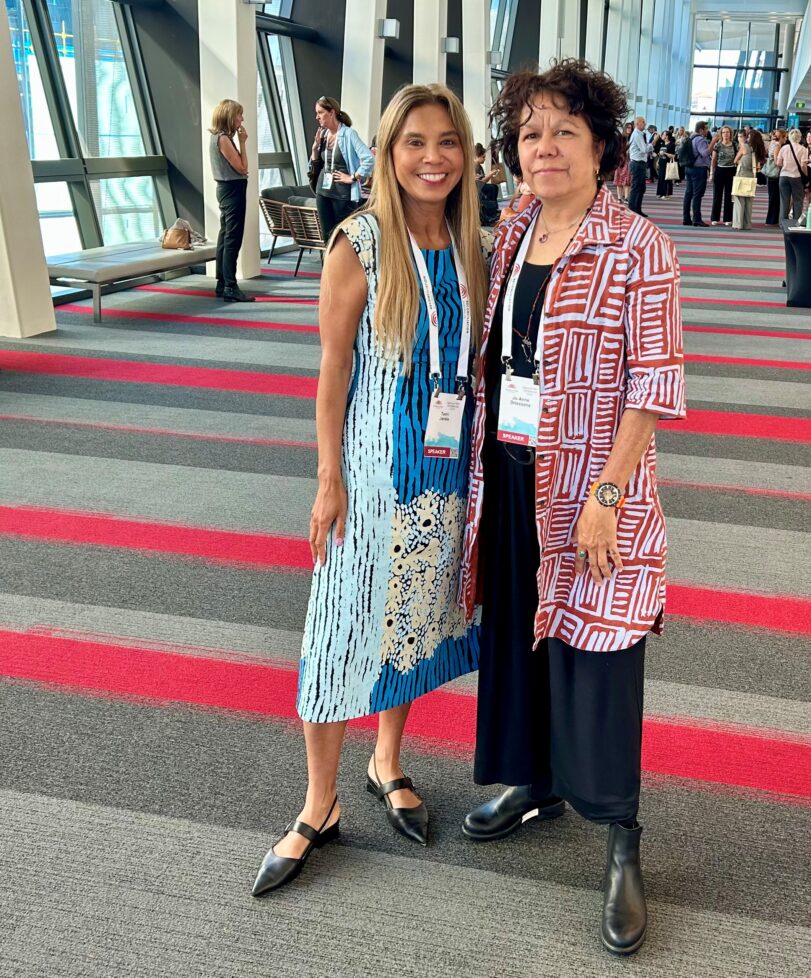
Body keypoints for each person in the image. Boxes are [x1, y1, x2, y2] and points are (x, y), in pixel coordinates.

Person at [458, 58, 685, 957]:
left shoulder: (638, 247)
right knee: (519, 627)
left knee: (600, 651)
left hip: (591, 485)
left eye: (563, 132)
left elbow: (654, 384)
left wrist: (606, 492)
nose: (543, 148)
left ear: (602, 148)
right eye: (529, 133)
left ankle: (620, 834)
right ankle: (531, 780)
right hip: (511, 469)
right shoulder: (513, 231)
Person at [251, 83, 487, 898]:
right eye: (415, 142)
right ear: (387, 153)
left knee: (413, 621)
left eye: (447, 142)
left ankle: (388, 759)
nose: (433, 157)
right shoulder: (361, 241)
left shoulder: (469, 244)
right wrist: (328, 481)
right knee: (338, 633)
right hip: (370, 477)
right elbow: (334, 369)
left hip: (444, 471)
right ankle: (319, 805)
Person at [309, 96, 375, 243]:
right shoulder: (324, 134)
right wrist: (315, 149)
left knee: (343, 237)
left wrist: (352, 177)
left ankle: (344, 265)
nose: (317, 117)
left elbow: (369, 158)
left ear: (331, 112)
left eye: (320, 112)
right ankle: (328, 266)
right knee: (327, 236)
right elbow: (317, 162)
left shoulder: (349, 134)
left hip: (342, 194)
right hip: (323, 191)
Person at [208, 99, 254, 303]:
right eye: (239, 115)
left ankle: (222, 283)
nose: (242, 119)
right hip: (232, 190)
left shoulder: (217, 137)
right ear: (229, 116)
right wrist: (243, 143)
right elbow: (242, 167)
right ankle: (230, 286)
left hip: (226, 189)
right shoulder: (224, 139)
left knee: (225, 235)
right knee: (232, 238)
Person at [731, 130, 766, 231]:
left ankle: (738, 224)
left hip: (742, 176)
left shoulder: (745, 147)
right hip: (752, 177)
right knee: (748, 202)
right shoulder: (759, 150)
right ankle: (747, 224)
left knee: (739, 200)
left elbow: (735, 160)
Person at [777, 128, 809, 222]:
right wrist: (805, 175)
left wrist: (784, 168)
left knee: (784, 200)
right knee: (798, 200)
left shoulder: (784, 148)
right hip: (796, 177)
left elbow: (778, 163)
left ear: (789, 138)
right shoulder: (803, 149)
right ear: (799, 138)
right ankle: (796, 221)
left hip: (784, 176)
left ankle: (783, 222)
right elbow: (803, 165)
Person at [682, 121, 711, 226]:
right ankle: (697, 219)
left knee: (688, 193)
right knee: (697, 194)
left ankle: (686, 218)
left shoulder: (691, 138)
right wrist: (713, 143)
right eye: (706, 128)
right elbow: (705, 153)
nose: (707, 130)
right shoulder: (700, 139)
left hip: (689, 167)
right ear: (701, 130)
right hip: (698, 169)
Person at [709, 125, 737, 225]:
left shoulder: (734, 145)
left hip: (731, 171)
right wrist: (711, 173)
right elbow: (713, 160)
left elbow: (738, 158)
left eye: (728, 132)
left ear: (731, 134)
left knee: (729, 196)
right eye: (724, 132)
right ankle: (715, 218)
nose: (726, 134)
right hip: (720, 170)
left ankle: (728, 218)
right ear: (721, 134)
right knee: (717, 195)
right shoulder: (718, 145)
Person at [627, 115, 649, 216]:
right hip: (637, 163)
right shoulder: (637, 134)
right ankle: (632, 209)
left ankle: (637, 208)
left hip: (641, 163)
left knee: (641, 188)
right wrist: (653, 143)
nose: (645, 124)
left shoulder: (641, 134)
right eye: (643, 122)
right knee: (636, 187)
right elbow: (644, 149)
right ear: (637, 123)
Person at [763, 128, 784, 226]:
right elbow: (776, 161)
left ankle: (772, 219)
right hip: (774, 173)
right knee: (774, 197)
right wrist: (783, 165)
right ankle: (771, 219)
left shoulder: (772, 143)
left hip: (769, 172)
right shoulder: (777, 145)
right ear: (782, 137)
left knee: (772, 196)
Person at [613, 122, 633, 204]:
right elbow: (617, 149)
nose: (629, 129)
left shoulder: (632, 137)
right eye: (628, 127)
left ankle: (626, 198)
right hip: (621, 160)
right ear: (625, 128)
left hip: (629, 160)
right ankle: (619, 198)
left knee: (627, 180)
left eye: (631, 128)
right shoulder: (621, 137)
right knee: (619, 179)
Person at [655, 128, 676, 198]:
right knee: (660, 178)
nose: (662, 136)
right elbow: (660, 154)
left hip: (668, 164)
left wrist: (665, 153)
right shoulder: (662, 144)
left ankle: (666, 194)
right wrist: (658, 161)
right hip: (662, 163)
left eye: (663, 134)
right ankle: (661, 193)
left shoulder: (671, 144)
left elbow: (673, 155)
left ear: (667, 136)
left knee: (667, 178)